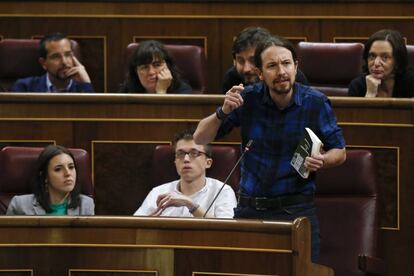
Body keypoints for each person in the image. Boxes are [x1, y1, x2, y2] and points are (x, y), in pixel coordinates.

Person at [194, 35, 346, 262]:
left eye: (286, 64)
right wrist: (222, 111)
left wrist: (323, 161)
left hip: (296, 211)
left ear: (296, 66)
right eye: (272, 66)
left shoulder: (316, 102)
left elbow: (340, 151)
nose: (281, 72)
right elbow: (200, 137)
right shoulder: (248, 99)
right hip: (250, 210)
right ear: (260, 73)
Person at [134, 130, 237, 218]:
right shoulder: (158, 192)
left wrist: (190, 204)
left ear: (208, 162)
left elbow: (227, 231)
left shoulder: (223, 191)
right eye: (180, 154)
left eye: (194, 153)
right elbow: (136, 226)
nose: (186, 159)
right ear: (175, 162)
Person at [6, 145, 94, 215]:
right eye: (58, 169)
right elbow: (7, 237)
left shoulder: (86, 205)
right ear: (45, 176)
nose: (68, 173)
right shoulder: (20, 205)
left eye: (71, 167)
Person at [222, 26, 309, 93]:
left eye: (252, 60)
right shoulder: (231, 78)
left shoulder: (291, 78)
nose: (246, 69)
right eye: (240, 60)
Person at [10, 33, 93, 93]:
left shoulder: (82, 88)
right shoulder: (24, 88)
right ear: (43, 63)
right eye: (56, 57)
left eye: (68, 55)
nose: (64, 62)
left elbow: (91, 115)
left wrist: (86, 84)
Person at [348, 29, 414, 98]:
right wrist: (370, 93)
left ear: (397, 62)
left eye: (385, 57)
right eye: (372, 56)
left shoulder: (411, 83)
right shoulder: (357, 86)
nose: (376, 63)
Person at [120, 40, 192, 94]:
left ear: (168, 66)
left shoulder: (183, 91)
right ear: (136, 71)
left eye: (157, 65)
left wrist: (161, 91)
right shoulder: (127, 90)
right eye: (144, 67)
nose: (151, 72)